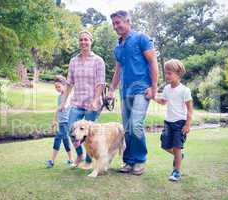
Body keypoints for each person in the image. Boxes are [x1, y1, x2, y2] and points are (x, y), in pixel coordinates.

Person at [108, 10, 159, 175]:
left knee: (136, 125)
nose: (116, 26)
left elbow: (152, 62)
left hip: (142, 89)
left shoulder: (141, 38)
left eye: (118, 22)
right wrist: (111, 89)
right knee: (128, 128)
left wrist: (154, 87)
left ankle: (140, 160)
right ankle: (129, 162)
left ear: (128, 21)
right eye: (114, 23)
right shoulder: (118, 46)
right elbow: (118, 71)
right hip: (125, 92)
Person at [60, 30, 105, 170]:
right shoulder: (73, 61)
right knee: (71, 130)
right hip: (77, 102)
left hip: (92, 104)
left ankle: (88, 159)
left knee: (90, 133)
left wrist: (96, 99)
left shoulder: (98, 61)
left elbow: (101, 83)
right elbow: (69, 83)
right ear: (79, 42)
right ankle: (79, 154)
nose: (83, 42)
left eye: (86, 39)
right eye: (81, 40)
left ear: (91, 41)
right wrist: (63, 102)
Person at [154, 59, 193, 181]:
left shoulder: (185, 90)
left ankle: (176, 172)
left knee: (177, 147)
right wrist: (152, 97)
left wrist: (187, 125)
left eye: (170, 73)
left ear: (178, 73)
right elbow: (163, 102)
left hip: (179, 123)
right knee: (165, 146)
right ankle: (179, 157)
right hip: (168, 123)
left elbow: (190, 110)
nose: (167, 75)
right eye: (166, 73)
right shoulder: (166, 88)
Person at [45, 75, 73, 168]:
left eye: (59, 86)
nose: (57, 88)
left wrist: (58, 109)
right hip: (61, 123)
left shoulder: (68, 96)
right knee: (65, 141)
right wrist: (55, 121)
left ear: (65, 85)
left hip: (66, 123)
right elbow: (58, 110)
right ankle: (71, 159)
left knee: (58, 139)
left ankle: (52, 161)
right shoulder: (59, 97)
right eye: (55, 87)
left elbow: (63, 107)